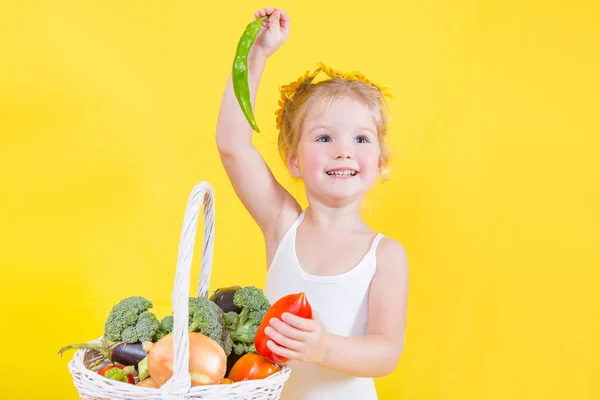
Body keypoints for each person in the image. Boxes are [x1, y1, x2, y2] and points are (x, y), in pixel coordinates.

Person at [215, 6, 409, 399]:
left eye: (360, 139)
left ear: (381, 163)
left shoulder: (386, 255)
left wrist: (324, 347)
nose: (343, 152)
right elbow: (232, 145)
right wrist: (256, 57)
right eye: (324, 138)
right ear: (293, 159)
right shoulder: (282, 224)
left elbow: (386, 353)